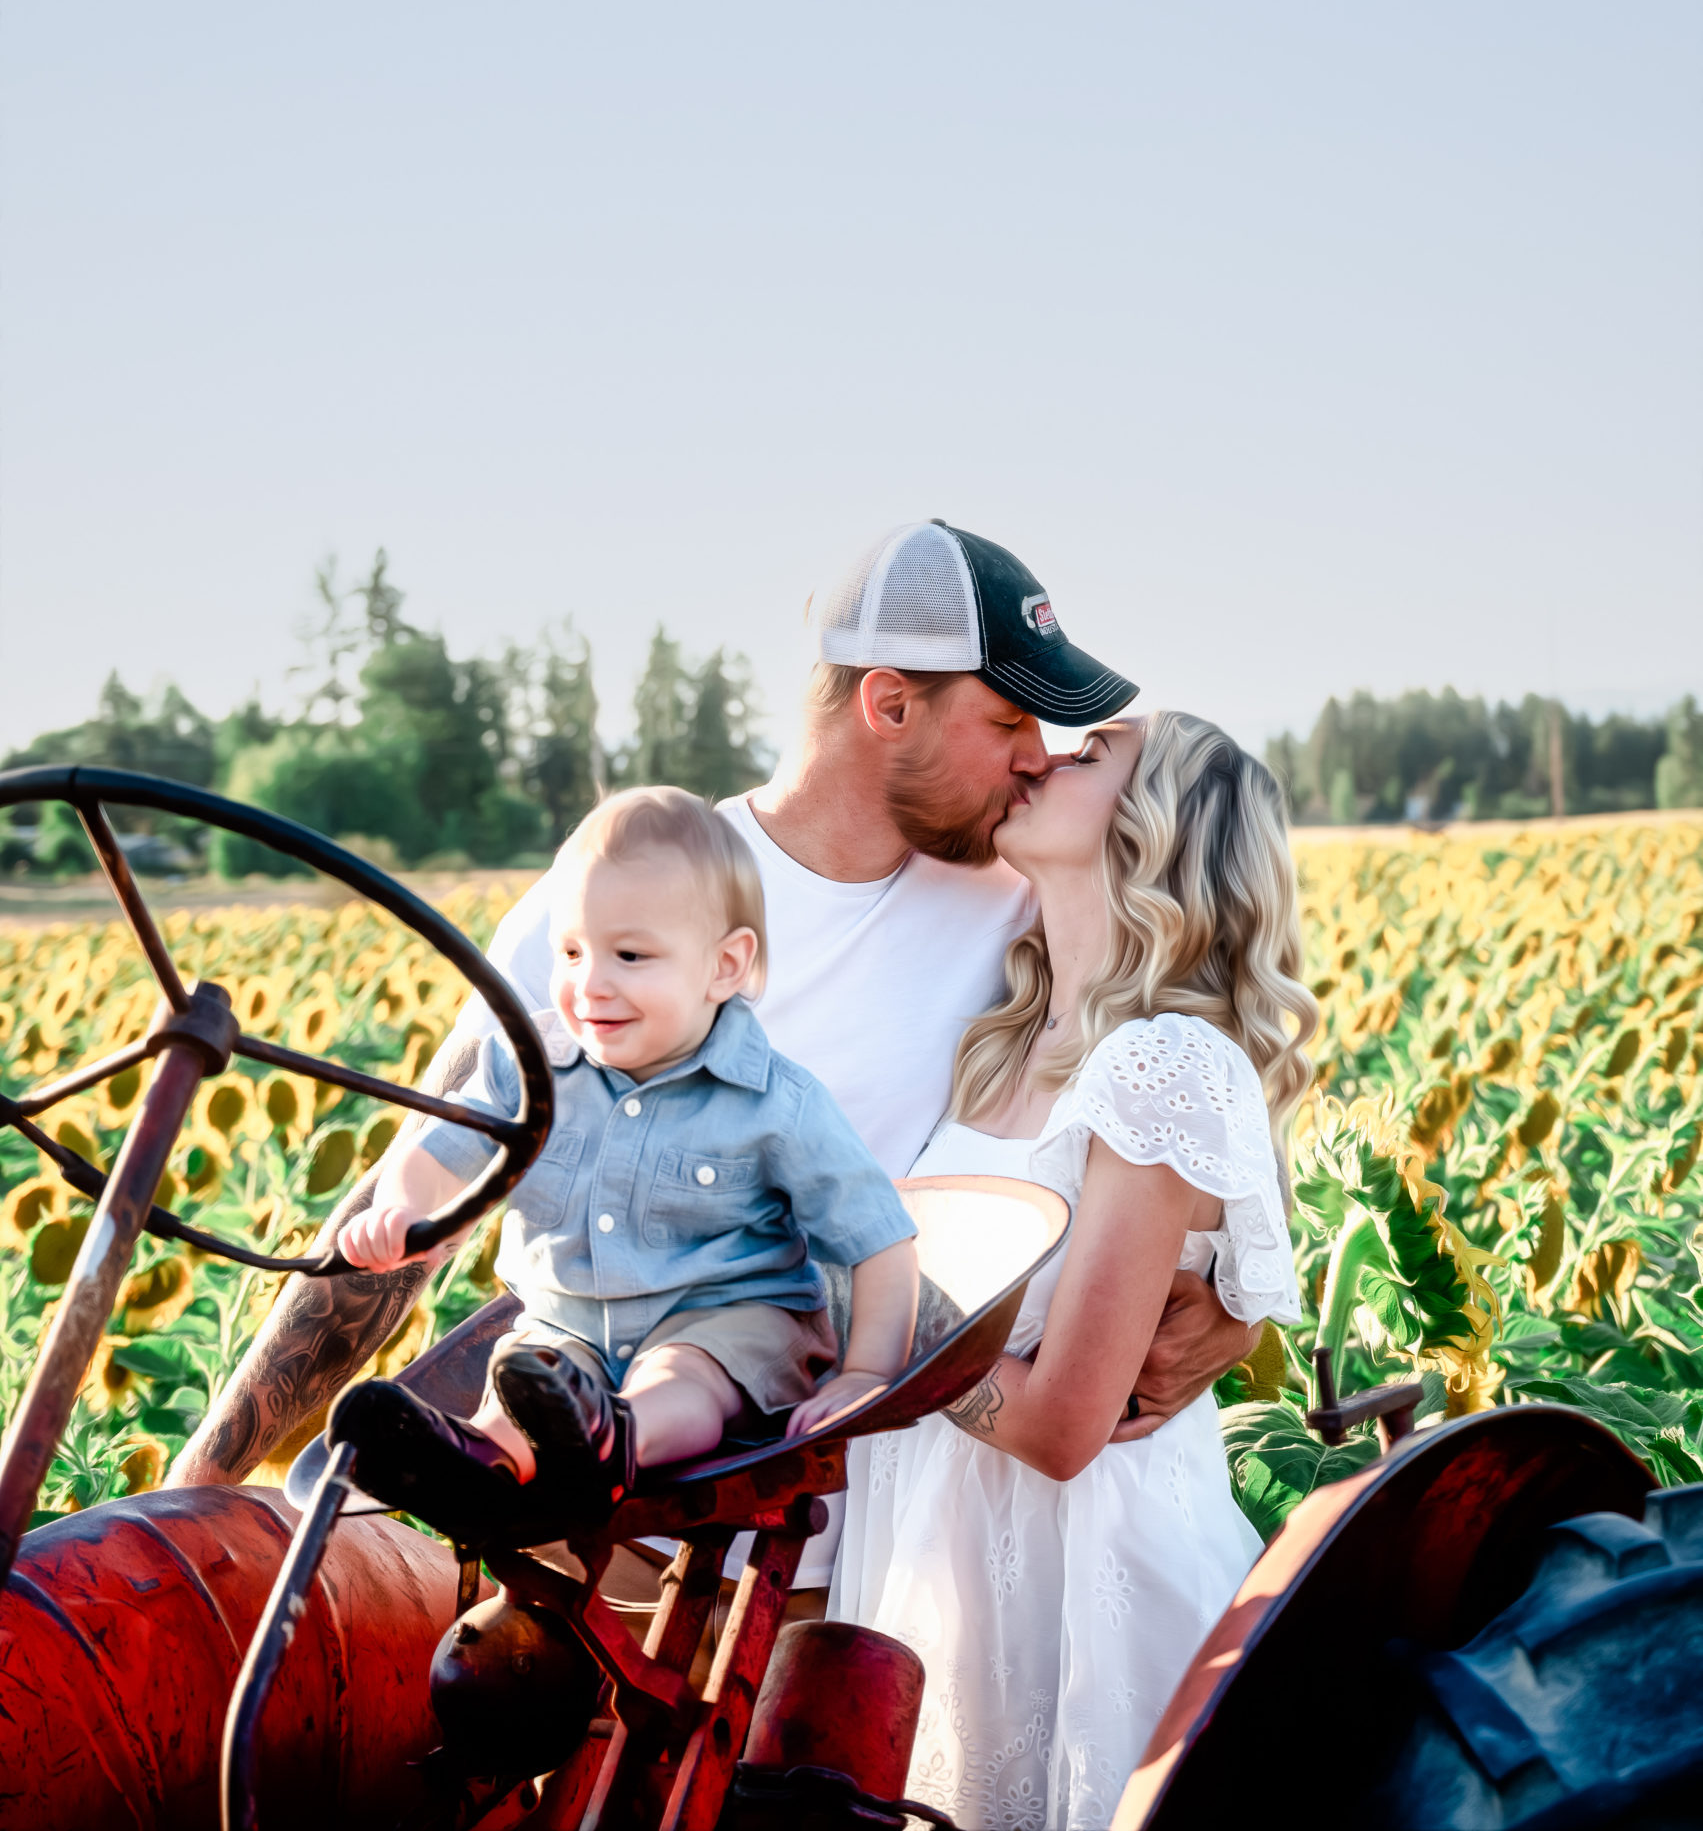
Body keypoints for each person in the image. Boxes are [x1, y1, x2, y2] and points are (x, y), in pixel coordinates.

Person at [174, 523, 1261, 1604]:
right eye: (1007, 719)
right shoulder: (635, 888)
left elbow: (1194, 1051)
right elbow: (435, 1173)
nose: (1037, 756)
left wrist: (1239, 1301)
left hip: (860, 1547)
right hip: (610, 1546)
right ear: (887, 705)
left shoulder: (1018, 890)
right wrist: (200, 1482)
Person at [831, 711, 1316, 1831]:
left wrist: (872, 1343)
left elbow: (1060, 1427)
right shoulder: (1000, 1039)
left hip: (1084, 1590)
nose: (1046, 754)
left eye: (1092, 754)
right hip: (942, 1554)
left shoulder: (1162, 1061)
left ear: (1157, 831)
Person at [325, 788, 919, 1537]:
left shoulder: (775, 1103)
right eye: (571, 952)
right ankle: (475, 1462)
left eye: (630, 956)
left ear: (724, 966)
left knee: (680, 1379)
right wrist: (409, 1211)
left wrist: (867, 1372)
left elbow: (879, 1238)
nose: (590, 983)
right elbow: (439, 1153)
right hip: (563, 1327)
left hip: (722, 1321)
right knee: (520, 1385)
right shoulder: (529, 1066)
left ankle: (617, 1440)